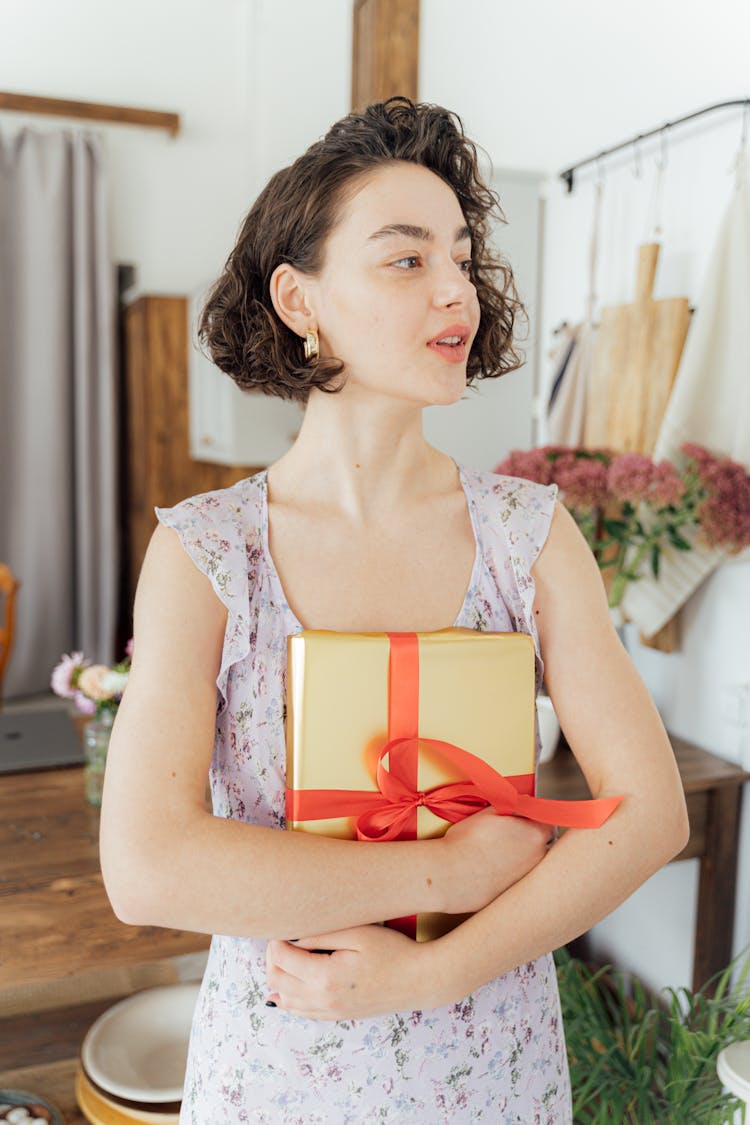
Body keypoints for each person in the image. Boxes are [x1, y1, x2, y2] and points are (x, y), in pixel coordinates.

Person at [100, 97, 689, 1123]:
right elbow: (149, 869)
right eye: (407, 259)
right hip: (283, 1061)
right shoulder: (208, 552)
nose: (456, 288)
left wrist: (428, 975)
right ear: (300, 299)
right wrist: (447, 869)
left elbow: (651, 815)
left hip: (492, 1063)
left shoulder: (530, 536)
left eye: (462, 257)